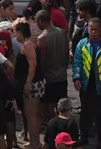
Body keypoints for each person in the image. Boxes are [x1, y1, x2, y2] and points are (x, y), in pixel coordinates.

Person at [14, 21, 45, 149]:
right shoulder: (30, 43)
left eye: (15, 32)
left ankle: (34, 144)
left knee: (31, 115)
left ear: (20, 33)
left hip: (31, 85)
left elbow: (33, 65)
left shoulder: (27, 45)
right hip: (35, 83)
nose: (14, 34)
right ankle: (36, 142)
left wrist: (27, 84)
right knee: (36, 114)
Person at [72, 17, 101, 146]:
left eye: (96, 30)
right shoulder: (82, 44)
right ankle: (83, 136)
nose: (93, 32)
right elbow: (77, 63)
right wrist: (77, 78)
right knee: (85, 112)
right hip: (87, 84)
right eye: (91, 29)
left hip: (99, 84)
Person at [36, 9, 69, 121]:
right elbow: (66, 55)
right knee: (61, 105)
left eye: (37, 21)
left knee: (48, 106)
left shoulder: (41, 38)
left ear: (40, 21)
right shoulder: (62, 33)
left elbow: (42, 61)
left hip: (49, 78)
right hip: (62, 76)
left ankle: (50, 127)